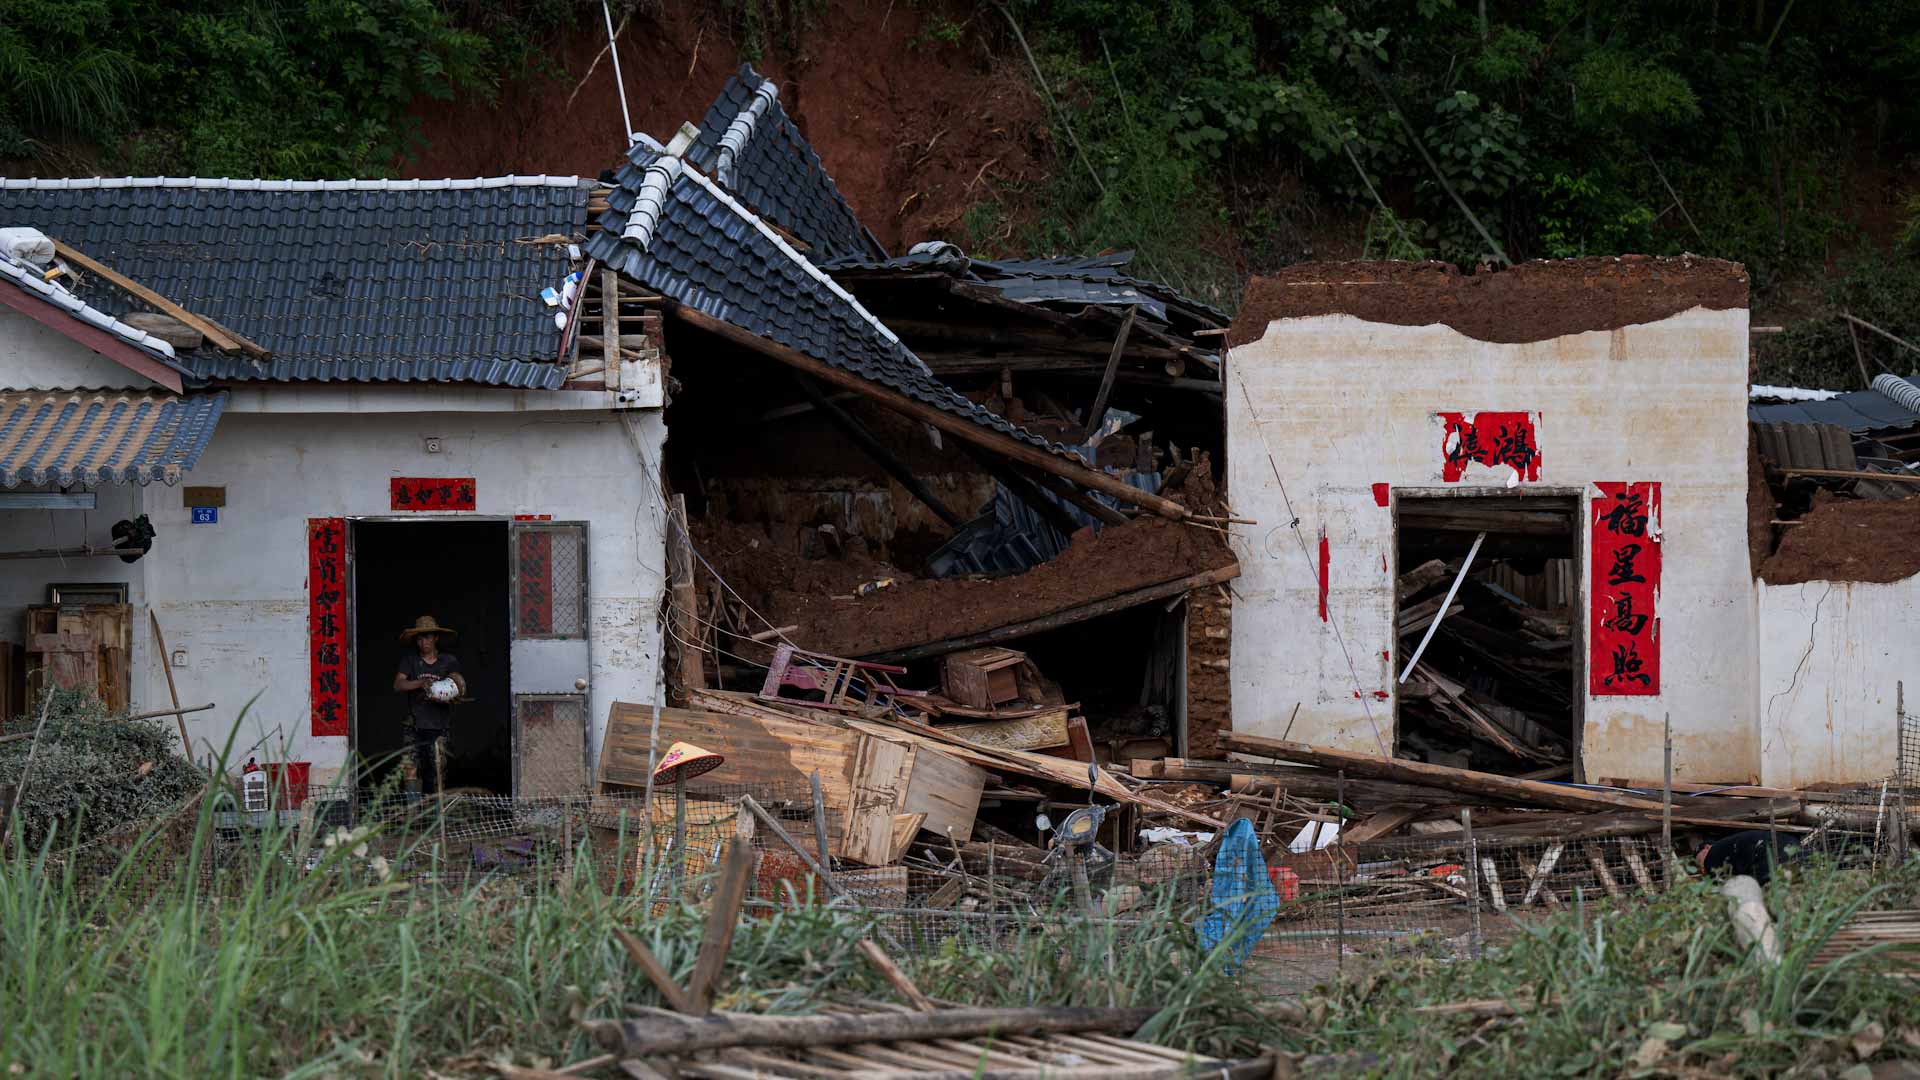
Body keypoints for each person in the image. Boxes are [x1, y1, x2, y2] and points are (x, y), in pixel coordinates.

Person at [393, 615, 465, 796]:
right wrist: (420, 683)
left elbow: (458, 685)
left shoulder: (448, 661)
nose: (424, 641)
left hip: (440, 725)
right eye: (420, 637)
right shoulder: (410, 661)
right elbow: (398, 684)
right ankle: (413, 818)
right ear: (416, 640)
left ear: (436, 638)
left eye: (428, 636)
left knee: (438, 771)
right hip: (414, 724)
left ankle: (437, 818)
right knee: (410, 769)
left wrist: (446, 696)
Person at [1694, 829, 1804, 886]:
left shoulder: (1713, 854)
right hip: (1795, 848)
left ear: (1707, 847)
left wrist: (1705, 864)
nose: (1701, 870)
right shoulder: (1737, 840)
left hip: (1769, 858)